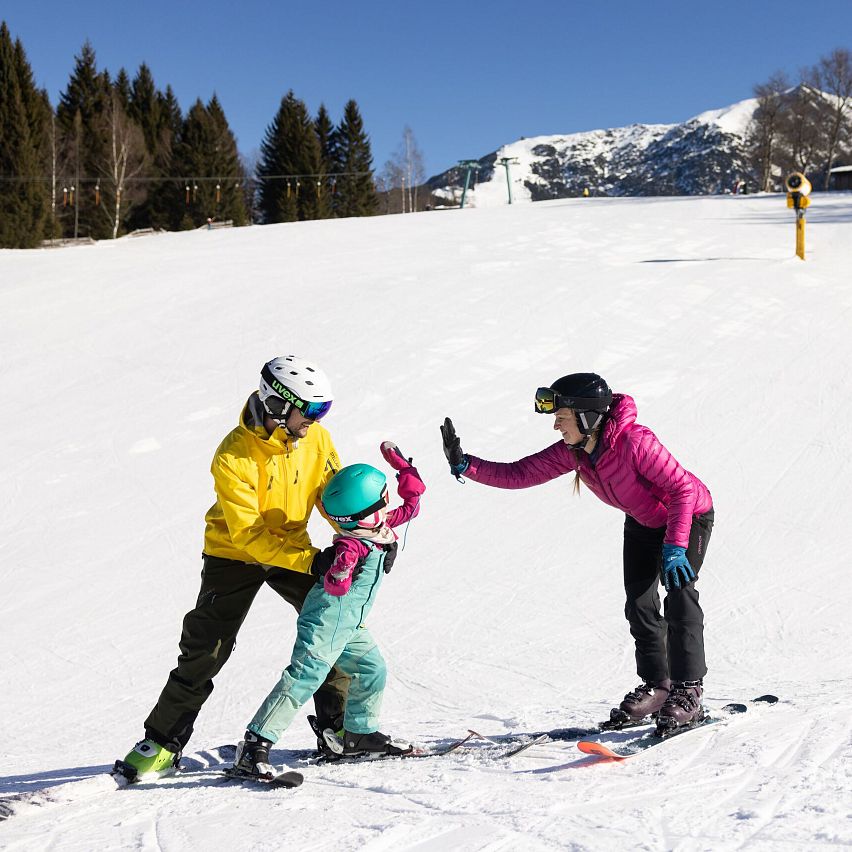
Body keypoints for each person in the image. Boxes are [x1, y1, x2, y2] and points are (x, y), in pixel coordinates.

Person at [115, 355, 347, 781]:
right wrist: (313, 560)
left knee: (334, 628)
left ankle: (339, 730)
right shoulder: (233, 455)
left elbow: (333, 497)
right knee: (207, 647)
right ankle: (163, 741)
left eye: (322, 411)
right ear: (277, 405)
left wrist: (361, 536)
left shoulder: (317, 440)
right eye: (310, 410)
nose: (315, 421)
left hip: (292, 546)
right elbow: (248, 535)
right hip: (233, 554)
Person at [440, 373, 714, 732]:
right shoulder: (576, 451)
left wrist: (676, 547)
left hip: (686, 516)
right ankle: (658, 686)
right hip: (643, 522)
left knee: (679, 595)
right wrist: (466, 465)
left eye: (562, 418)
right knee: (640, 604)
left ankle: (688, 691)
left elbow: (681, 489)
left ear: (587, 418)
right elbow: (521, 473)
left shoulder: (635, 442)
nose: (556, 426)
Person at [232, 442, 425, 778]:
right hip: (326, 621)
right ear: (364, 512)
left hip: (351, 624)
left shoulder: (375, 527)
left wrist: (403, 468)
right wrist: (340, 569)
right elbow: (337, 583)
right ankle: (254, 746)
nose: (388, 503)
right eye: (382, 498)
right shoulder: (351, 543)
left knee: (372, 669)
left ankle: (358, 736)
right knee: (305, 677)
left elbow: (412, 504)